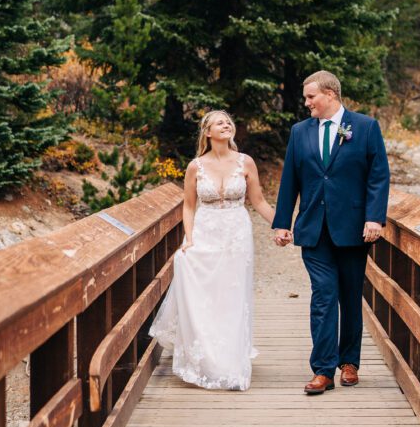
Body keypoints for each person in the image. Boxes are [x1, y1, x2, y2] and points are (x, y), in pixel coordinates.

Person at [272, 70, 390, 395]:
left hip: (353, 229)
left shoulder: (364, 127)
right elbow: (290, 182)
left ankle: (349, 362)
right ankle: (323, 369)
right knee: (324, 295)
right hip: (313, 228)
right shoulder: (300, 132)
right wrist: (283, 222)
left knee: (350, 296)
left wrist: (375, 218)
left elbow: (378, 176)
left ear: (330, 95)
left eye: (311, 97)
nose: (306, 102)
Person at [150, 110, 274, 390]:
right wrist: (189, 240)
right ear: (207, 132)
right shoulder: (196, 166)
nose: (227, 124)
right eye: (220, 122)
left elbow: (259, 201)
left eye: (229, 121)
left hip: (236, 236)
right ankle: (206, 359)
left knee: (232, 295)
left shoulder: (245, 162)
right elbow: (189, 206)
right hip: (205, 234)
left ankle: (231, 362)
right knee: (205, 296)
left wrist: (282, 226)